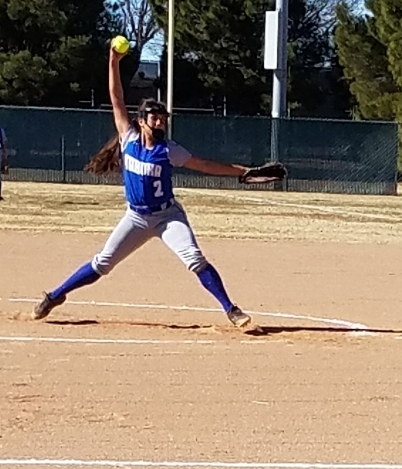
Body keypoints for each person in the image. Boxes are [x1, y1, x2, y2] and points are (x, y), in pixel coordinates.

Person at [31, 42, 258, 329]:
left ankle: (231, 310)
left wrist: (242, 172)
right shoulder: (128, 137)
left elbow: (204, 165)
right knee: (102, 263)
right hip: (136, 217)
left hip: (167, 216)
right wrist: (113, 61)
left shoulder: (169, 150)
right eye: (156, 117)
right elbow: (116, 96)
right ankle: (54, 296)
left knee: (195, 258)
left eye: (163, 118)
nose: (161, 122)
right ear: (142, 121)